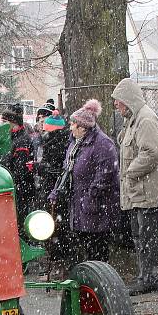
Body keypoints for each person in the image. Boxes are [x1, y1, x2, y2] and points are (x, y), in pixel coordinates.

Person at [112, 78, 158, 295]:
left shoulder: (145, 119)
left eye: (118, 102)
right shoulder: (134, 119)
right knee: (140, 236)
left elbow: (152, 153)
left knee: (147, 237)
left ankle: (149, 278)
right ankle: (144, 276)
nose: (116, 107)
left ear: (127, 100)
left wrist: (130, 172)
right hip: (139, 189)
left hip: (147, 190)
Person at [48, 100, 119, 265]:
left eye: (73, 124)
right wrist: (56, 191)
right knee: (84, 247)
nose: (70, 127)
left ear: (83, 127)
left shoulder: (103, 143)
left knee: (97, 249)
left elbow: (106, 175)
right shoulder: (75, 144)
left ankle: (98, 283)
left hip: (97, 208)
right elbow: (67, 170)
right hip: (79, 204)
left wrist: (91, 197)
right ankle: (86, 281)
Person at [0, 102, 36, 224]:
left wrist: (10, 182)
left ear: (12, 123)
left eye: (4, 122)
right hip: (12, 187)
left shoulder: (21, 141)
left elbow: (20, 170)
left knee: (19, 220)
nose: (1, 125)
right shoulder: (10, 138)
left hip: (20, 190)